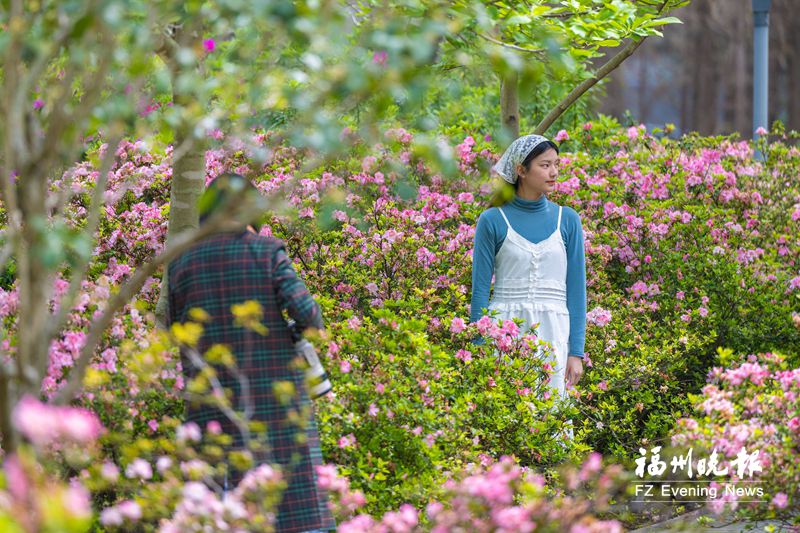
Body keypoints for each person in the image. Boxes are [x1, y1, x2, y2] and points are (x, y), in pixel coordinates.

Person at [167, 173, 335, 533]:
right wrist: (292, 336)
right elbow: (309, 316)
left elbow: (174, 332)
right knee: (294, 507)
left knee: (219, 515)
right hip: (275, 401)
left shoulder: (181, 261)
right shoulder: (266, 251)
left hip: (209, 405)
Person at [470, 134, 586, 398]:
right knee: (506, 421)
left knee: (549, 423)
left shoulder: (567, 220)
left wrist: (575, 352)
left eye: (556, 164)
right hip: (503, 334)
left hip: (555, 333)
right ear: (521, 170)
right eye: (545, 165)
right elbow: (479, 292)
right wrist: (477, 350)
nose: (554, 172)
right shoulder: (492, 220)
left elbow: (576, 292)